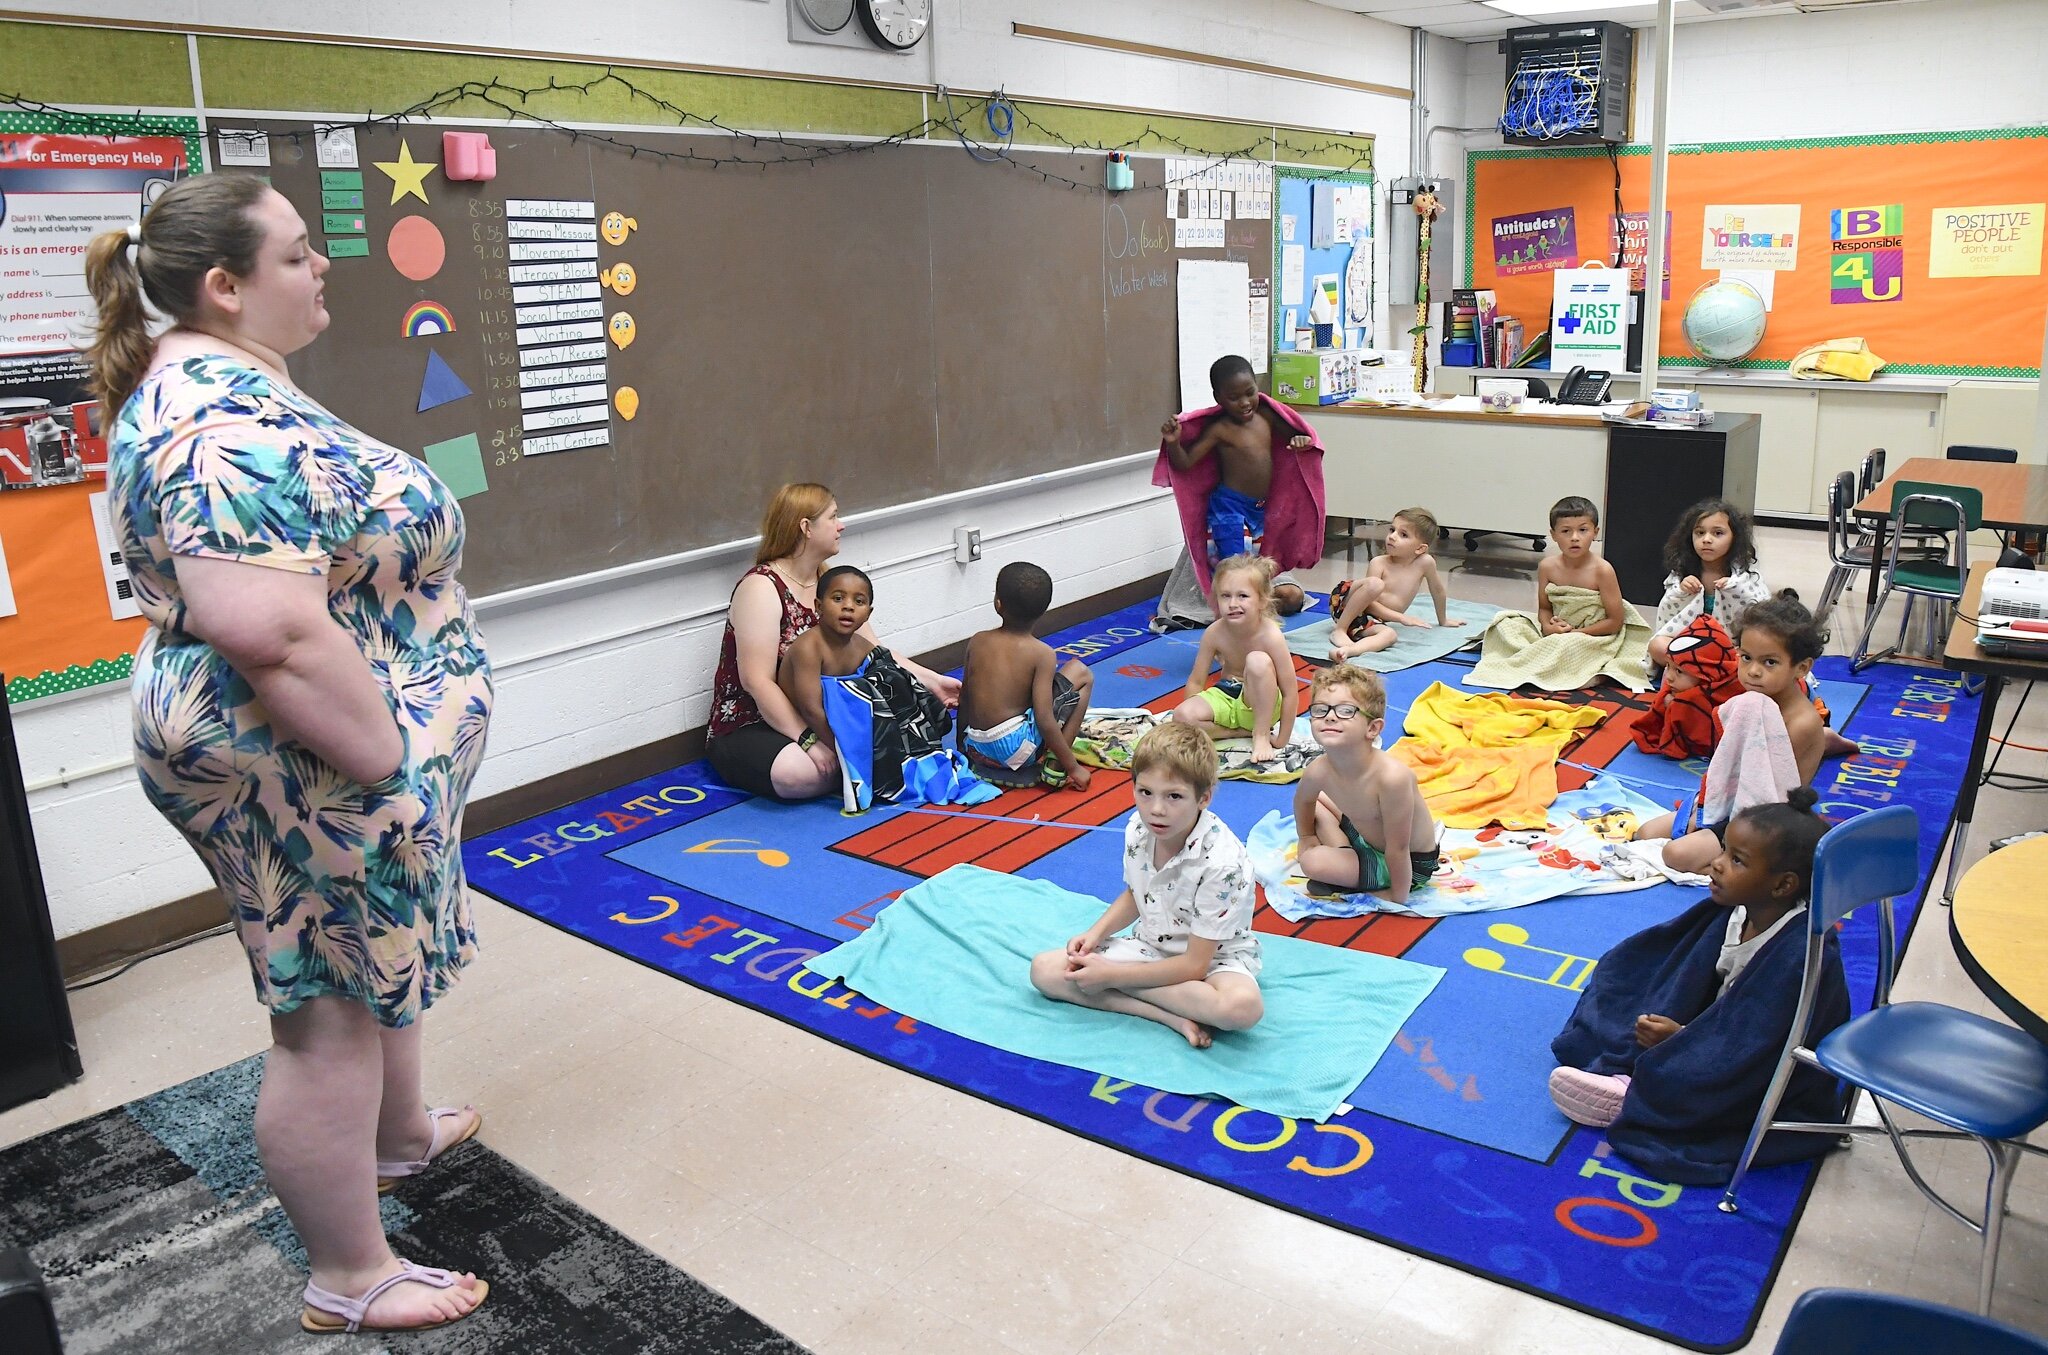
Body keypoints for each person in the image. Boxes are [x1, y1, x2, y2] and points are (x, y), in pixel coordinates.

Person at [87, 176, 489, 1333]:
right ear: (226, 285)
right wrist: (389, 759)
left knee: (366, 969)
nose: (322, 269)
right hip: (306, 757)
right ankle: (349, 1273)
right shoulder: (213, 413)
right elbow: (264, 623)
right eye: (301, 254)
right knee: (324, 1012)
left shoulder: (223, 379)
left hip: (320, 752)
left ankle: (397, 1138)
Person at [1548, 790, 1848, 1185]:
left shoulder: (1796, 955)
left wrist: (1684, 1041)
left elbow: (1757, 1043)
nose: (1716, 865)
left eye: (1736, 861)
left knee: (1701, 1077)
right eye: (1724, 851)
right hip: (1717, 1021)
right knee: (1628, 979)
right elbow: (1688, 965)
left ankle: (1634, 1090)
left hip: (1755, 1059)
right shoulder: (1742, 907)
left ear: (1782, 886)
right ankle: (1634, 1073)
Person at [707, 484, 960, 800]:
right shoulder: (760, 587)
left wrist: (932, 681)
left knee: (917, 723)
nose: (841, 526)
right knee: (797, 774)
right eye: (833, 517)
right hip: (757, 723)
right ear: (806, 528)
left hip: (823, 713)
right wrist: (809, 741)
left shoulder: (829, 582)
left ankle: (856, 765)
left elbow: (875, 653)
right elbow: (757, 683)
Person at [1027, 721, 1262, 1048]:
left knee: (1241, 1009)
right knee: (1045, 969)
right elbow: (1137, 894)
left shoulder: (1223, 863)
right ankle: (1169, 1016)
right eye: (1145, 792)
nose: (1156, 809)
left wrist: (1110, 976)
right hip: (1150, 948)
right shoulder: (1139, 828)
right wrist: (1095, 934)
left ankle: (1121, 989)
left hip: (1211, 963)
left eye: (1174, 796)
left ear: (1204, 798)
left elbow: (1195, 965)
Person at [1634, 593, 1827, 874]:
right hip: (1729, 803)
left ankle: (1747, 876)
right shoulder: (1753, 701)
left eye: (1769, 662)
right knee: (1645, 833)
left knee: (1675, 854)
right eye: (1746, 658)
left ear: (1802, 667)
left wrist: (1719, 828)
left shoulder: (1800, 723)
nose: (1753, 671)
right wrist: (1703, 809)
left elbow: (1769, 794)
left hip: (1768, 821)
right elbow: (1729, 766)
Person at [1154, 355, 1326, 603]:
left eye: (1249, 392)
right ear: (1218, 399)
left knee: (1282, 591)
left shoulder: (1267, 416)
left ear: (1258, 387)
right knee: (1237, 574)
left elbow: (1296, 436)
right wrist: (1174, 444)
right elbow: (1185, 464)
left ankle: (1258, 600)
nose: (1245, 402)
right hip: (1229, 511)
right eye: (1234, 398)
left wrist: (1300, 441)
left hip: (1262, 512)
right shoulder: (1220, 429)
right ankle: (1239, 603)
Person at [1465, 496, 1651, 693]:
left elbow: (1615, 622)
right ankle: (1547, 654)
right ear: (1553, 535)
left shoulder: (1602, 570)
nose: (1574, 537)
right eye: (1565, 531)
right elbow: (1545, 608)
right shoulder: (1547, 567)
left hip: (1593, 635)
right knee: (1505, 623)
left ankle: (1572, 668)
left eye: (1583, 530)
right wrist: (1547, 627)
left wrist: (1574, 634)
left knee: (1565, 645)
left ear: (1595, 532)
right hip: (1557, 630)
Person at [1292, 665, 1442, 907]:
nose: (1330, 716)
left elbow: (1399, 847)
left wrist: (1397, 896)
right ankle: (1343, 851)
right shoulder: (1319, 768)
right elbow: (1303, 800)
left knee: (1312, 862)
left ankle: (1344, 860)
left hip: (1408, 864)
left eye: (1345, 711)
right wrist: (1306, 836)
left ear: (1372, 728)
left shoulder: (1392, 778)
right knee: (1319, 803)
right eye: (1321, 710)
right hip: (1366, 839)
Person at [959, 561, 1094, 790]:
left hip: (976, 748)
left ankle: (981, 758)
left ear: (998, 603)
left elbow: (965, 698)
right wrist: (1074, 767)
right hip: (1016, 752)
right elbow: (1044, 717)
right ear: (1044, 610)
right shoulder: (1042, 653)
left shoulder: (977, 640)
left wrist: (964, 750)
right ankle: (1057, 766)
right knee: (1082, 674)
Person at [1169, 554, 1299, 764]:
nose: (1233, 604)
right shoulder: (1214, 632)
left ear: (1262, 600)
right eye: (1225, 596)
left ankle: (1260, 734)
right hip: (1227, 695)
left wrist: (1282, 738)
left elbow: (1290, 690)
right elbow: (1196, 681)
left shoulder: (1271, 635)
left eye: (1243, 596)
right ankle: (1239, 732)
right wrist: (1189, 728)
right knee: (1181, 716)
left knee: (1257, 661)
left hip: (1260, 702)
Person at [1647, 498, 1769, 689]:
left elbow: (1760, 610)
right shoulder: (1683, 572)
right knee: (1657, 645)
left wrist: (1735, 589)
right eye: (1700, 533)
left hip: (1727, 648)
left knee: (1750, 661)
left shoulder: (1744, 576)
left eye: (1718, 533)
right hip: (1691, 645)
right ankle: (1706, 676)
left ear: (1734, 537)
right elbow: (1668, 613)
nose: (1707, 539)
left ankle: (1695, 676)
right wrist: (1682, 590)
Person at [1326, 506, 1464, 662]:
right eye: (1392, 530)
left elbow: (1437, 591)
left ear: (1420, 548)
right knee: (1375, 584)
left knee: (1390, 635)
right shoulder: (1379, 563)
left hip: (1367, 619)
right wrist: (1401, 618)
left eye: (1403, 534)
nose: (1392, 536)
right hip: (1345, 603)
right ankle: (1340, 630)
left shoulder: (1425, 563)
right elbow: (1368, 604)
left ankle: (1349, 651)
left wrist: (1443, 619)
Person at [777, 564, 876, 758]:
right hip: (802, 728)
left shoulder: (865, 647)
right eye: (838, 598)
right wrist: (844, 751)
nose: (848, 606)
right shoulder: (809, 647)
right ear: (819, 606)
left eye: (859, 601)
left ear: (868, 613)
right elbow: (810, 710)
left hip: (842, 724)